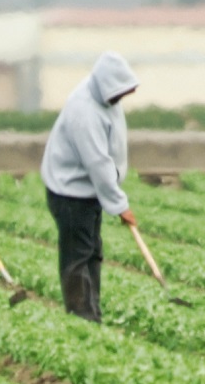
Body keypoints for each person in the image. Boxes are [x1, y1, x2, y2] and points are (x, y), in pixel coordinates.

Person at [40, 51, 140, 322]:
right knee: (78, 256)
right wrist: (120, 206)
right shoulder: (83, 110)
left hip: (88, 191)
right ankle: (82, 318)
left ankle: (90, 311)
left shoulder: (106, 97)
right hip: (70, 192)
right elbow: (98, 162)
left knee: (92, 252)